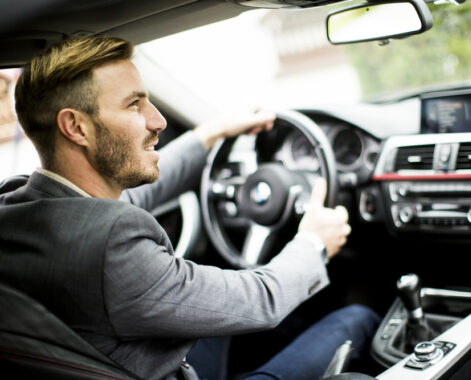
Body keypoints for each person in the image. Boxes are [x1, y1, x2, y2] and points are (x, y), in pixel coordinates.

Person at [0, 36, 380, 380]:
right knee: (358, 318)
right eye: (135, 105)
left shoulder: (16, 205)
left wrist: (212, 132)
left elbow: (130, 199)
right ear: (76, 128)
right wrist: (314, 242)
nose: (159, 121)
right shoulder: (112, 244)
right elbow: (262, 299)